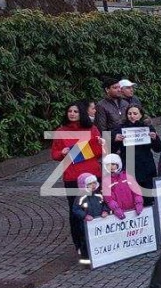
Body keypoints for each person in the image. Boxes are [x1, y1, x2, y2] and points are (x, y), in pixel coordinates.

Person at [51, 102, 104, 263]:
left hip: (92, 174)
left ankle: (99, 241)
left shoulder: (92, 129)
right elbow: (54, 154)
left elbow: (98, 151)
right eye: (69, 111)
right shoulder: (60, 131)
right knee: (76, 212)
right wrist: (62, 152)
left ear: (81, 113)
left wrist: (99, 145)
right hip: (73, 177)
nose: (72, 114)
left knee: (97, 207)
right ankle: (80, 245)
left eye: (75, 111)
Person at [111, 105, 161, 205]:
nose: (132, 116)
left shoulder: (147, 128)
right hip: (129, 167)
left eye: (135, 114)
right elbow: (112, 150)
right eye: (129, 114)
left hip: (146, 167)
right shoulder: (120, 128)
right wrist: (115, 139)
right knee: (131, 198)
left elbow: (158, 148)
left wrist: (155, 138)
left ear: (141, 115)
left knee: (148, 198)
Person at [71, 173, 110, 265]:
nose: (93, 186)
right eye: (90, 184)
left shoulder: (99, 195)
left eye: (94, 183)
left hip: (98, 223)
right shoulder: (80, 197)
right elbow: (75, 209)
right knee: (85, 242)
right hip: (86, 225)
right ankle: (86, 260)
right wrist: (84, 215)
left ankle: (100, 256)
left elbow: (105, 204)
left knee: (100, 239)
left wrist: (105, 211)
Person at [102, 153, 143, 220]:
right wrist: (116, 209)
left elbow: (136, 192)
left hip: (133, 210)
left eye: (113, 164)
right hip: (119, 214)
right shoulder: (106, 181)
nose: (111, 167)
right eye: (108, 165)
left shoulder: (127, 176)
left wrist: (139, 204)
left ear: (118, 164)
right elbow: (109, 199)